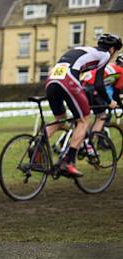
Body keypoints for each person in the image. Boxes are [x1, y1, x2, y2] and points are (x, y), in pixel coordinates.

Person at [45, 33, 121, 177]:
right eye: (115, 52)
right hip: (67, 80)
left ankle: (35, 148)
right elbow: (98, 84)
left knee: (59, 119)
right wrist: (110, 102)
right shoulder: (104, 54)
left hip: (51, 80)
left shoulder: (85, 49)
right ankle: (68, 162)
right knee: (84, 120)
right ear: (112, 49)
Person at [82, 53, 123, 136]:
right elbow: (116, 93)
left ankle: (73, 140)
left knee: (84, 117)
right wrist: (120, 105)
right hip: (93, 88)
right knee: (101, 116)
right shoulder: (121, 72)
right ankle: (89, 144)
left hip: (82, 86)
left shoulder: (109, 66)